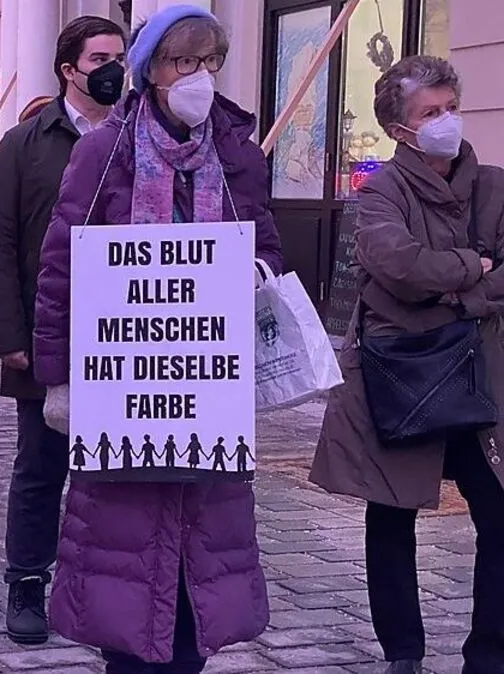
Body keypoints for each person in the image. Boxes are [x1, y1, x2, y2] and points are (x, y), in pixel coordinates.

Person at [32, 6, 282, 672]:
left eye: (210, 62)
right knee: (123, 565)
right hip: (124, 393)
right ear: (151, 72)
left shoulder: (238, 154)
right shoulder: (102, 152)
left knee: (200, 572)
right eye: (183, 62)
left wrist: (257, 274)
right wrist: (57, 378)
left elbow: (268, 246)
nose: (200, 76)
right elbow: (60, 267)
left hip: (208, 393)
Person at [311, 55, 504, 674]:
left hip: (481, 373)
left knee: (498, 514)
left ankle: (489, 656)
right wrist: (474, 269)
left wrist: (456, 292)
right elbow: (398, 266)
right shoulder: (380, 191)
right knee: (391, 513)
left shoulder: (494, 186)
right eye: (430, 113)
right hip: (402, 374)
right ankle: (404, 654)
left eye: (451, 107)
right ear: (400, 129)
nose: (447, 121)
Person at [0, 14, 127, 646]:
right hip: (48, 334)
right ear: (69, 69)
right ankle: (27, 583)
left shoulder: (137, 135)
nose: (114, 70)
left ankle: (102, 589)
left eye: (119, 57)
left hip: (125, 336)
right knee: (41, 467)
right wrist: (10, 336)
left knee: (115, 472)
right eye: (100, 60)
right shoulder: (25, 143)